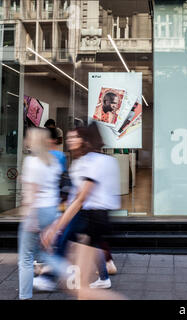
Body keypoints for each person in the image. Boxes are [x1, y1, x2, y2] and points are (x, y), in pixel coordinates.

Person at [41, 123, 124, 299]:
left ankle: (49, 275)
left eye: (76, 137)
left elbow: (80, 199)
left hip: (91, 220)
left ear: (86, 140)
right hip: (97, 219)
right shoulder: (104, 160)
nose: (71, 141)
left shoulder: (91, 162)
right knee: (81, 287)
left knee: (81, 288)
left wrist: (55, 228)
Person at [18, 128, 62, 299]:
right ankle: (66, 269)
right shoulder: (53, 162)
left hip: (36, 212)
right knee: (44, 252)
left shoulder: (31, 162)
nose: (26, 140)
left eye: (28, 137)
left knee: (26, 258)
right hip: (51, 211)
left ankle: (24, 296)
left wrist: (30, 218)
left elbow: (31, 195)